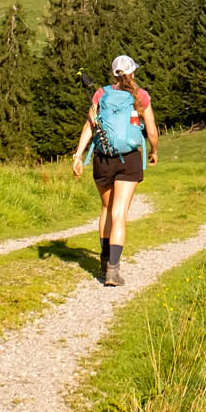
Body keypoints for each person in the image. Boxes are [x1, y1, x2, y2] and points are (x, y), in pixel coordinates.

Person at [70, 54, 158, 286]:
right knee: (119, 214)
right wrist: (154, 151)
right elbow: (151, 131)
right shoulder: (141, 97)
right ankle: (113, 271)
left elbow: (90, 125)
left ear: (113, 73)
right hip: (128, 159)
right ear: (133, 72)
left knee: (107, 209)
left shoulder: (101, 94)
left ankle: (103, 260)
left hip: (102, 158)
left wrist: (78, 155)